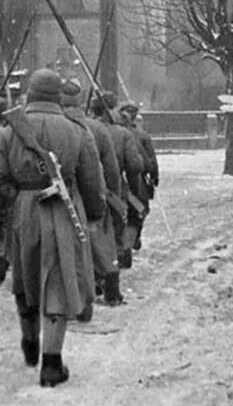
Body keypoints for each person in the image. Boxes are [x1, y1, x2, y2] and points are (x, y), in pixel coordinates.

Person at [0, 69, 105, 388]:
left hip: (23, 211)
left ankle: (29, 341)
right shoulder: (77, 131)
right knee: (58, 283)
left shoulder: (8, 132)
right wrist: (94, 214)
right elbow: (92, 180)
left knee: (25, 277)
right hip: (63, 210)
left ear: (31, 95)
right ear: (57, 97)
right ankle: (51, 361)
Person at [61, 79, 126, 306]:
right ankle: (110, 289)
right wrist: (113, 196)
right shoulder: (97, 129)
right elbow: (111, 169)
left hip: (63, 195)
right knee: (101, 242)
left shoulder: (57, 127)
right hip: (96, 191)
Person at [90, 91, 144, 270]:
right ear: (111, 110)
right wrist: (134, 191)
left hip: (88, 186)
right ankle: (118, 259)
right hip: (115, 186)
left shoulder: (84, 128)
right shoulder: (122, 133)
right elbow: (134, 166)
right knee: (117, 223)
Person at [119, 102, 159, 253]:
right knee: (138, 212)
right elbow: (151, 160)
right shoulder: (141, 135)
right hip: (136, 180)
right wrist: (154, 176)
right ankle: (129, 242)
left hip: (121, 180)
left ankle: (128, 241)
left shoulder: (113, 132)